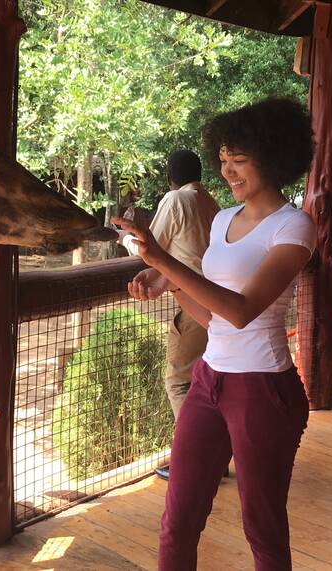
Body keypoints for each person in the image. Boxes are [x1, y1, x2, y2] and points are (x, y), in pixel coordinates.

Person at [114, 97, 315, 570]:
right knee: (177, 519)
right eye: (223, 159)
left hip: (262, 388)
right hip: (208, 380)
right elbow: (212, 317)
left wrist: (163, 260)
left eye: (239, 160)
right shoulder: (222, 219)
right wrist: (163, 283)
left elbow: (242, 311)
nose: (228, 171)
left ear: (273, 157)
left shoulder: (294, 226)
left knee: (262, 526)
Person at [118, 149, 220, 481]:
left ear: (168, 177)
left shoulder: (176, 200)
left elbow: (153, 251)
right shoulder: (211, 201)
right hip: (215, 300)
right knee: (206, 381)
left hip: (193, 302)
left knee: (178, 380)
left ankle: (196, 461)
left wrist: (125, 240)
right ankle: (212, 457)